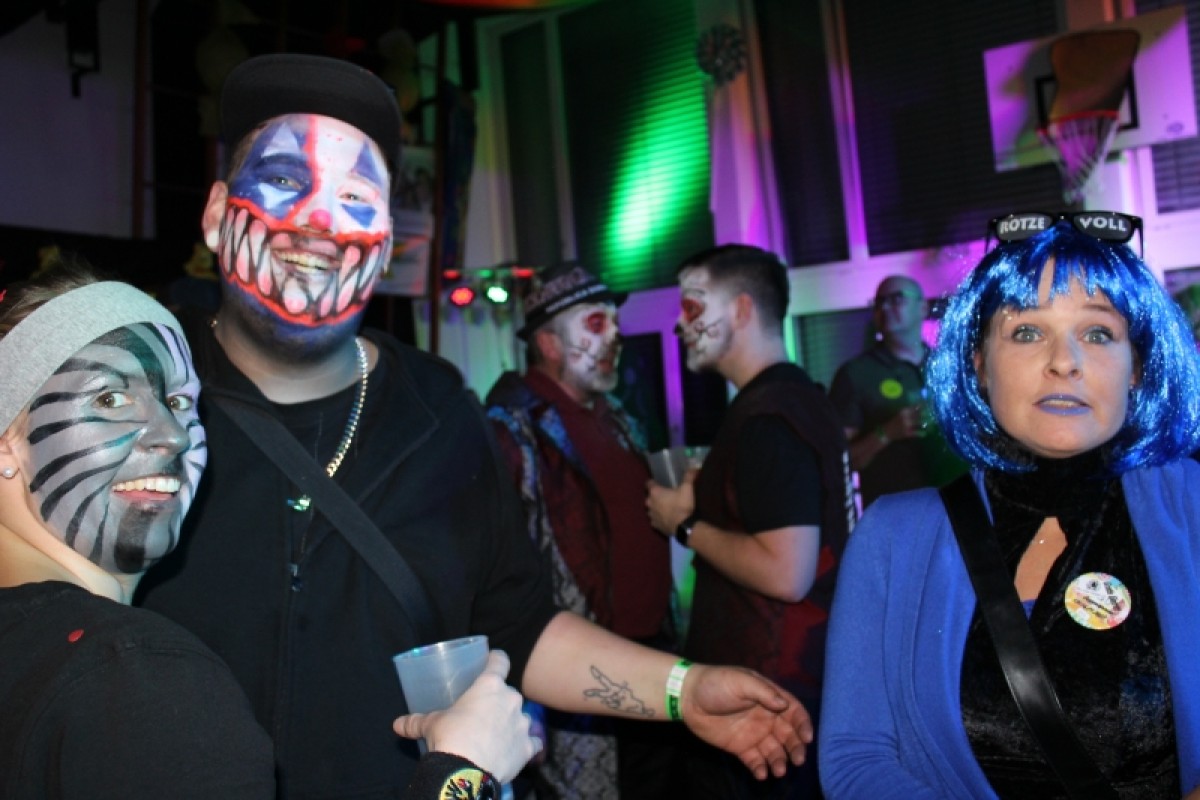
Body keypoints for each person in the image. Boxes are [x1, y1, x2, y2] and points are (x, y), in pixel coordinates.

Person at [136, 53, 814, 797]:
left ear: (386, 245)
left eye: (356, 195)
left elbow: (521, 627)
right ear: (215, 214)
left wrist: (685, 689)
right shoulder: (130, 395)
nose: (321, 221)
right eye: (286, 181)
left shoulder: (439, 414)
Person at [0, 259, 544, 799]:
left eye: (180, 402)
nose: (173, 435)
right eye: (110, 399)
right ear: (8, 441)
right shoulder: (140, 683)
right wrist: (465, 771)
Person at [819, 211, 1200, 798]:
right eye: (1026, 332)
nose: (1064, 361)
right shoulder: (893, 539)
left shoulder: (1189, 510)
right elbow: (856, 761)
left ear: (1138, 367)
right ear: (978, 363)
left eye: (1098, 333)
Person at [646, 244, 854, 799]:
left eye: (692, 306)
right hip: (789, 686)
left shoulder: (769, 418)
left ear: (741, 310)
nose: (680, 325)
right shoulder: (794, 400)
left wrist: (684, 525)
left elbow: (787, 572)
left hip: (772, 697)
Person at [486, 263, 676, 798]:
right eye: (596, 322)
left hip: (651, 654)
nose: (614, 335)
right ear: (549, 342)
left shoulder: (617, 416)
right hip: (578, 671)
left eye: (614, 322)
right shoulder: (510, 429)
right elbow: (496, 575)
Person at [827, 275, 965, 509]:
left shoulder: (948, 367)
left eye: (896, 299)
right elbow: (837, 460)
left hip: (954, 507)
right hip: (895, 515)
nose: (885, 307)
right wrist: (887, 433)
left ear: (922, 308)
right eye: (879, 302)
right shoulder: (856, 374)